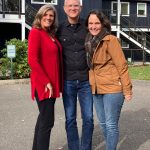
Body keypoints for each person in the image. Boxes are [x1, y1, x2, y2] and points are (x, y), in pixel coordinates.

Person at [85, 10, 132, 150]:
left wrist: (127, 89)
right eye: (90, 23)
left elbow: (122, 65)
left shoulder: (110, 40)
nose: (93, 26)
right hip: (96, 88)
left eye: (97, 23)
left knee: (111, 125)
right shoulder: (88, 40)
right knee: (104, 124)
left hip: (113, 88)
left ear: (103, 23)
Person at [56, 0, 94, 150]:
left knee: (89, 119)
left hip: (86, 80)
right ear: (64, 8)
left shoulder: (88, 27)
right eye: (70, 6)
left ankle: (85, 148)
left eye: (76, 5)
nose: (73, 8)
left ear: (80, 8)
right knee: (70, 119)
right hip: (67, 81)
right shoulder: (58, 29)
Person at [28, 4, 62, 150]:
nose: (48, 18)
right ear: (40, 16)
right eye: (46, 15)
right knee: (47, 121)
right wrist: (46, 82)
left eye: (51, 16)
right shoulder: (36, 32)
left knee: (43, 119)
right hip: (44, 85)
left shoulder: (49, 34)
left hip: (51, 84)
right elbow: (32, 60)